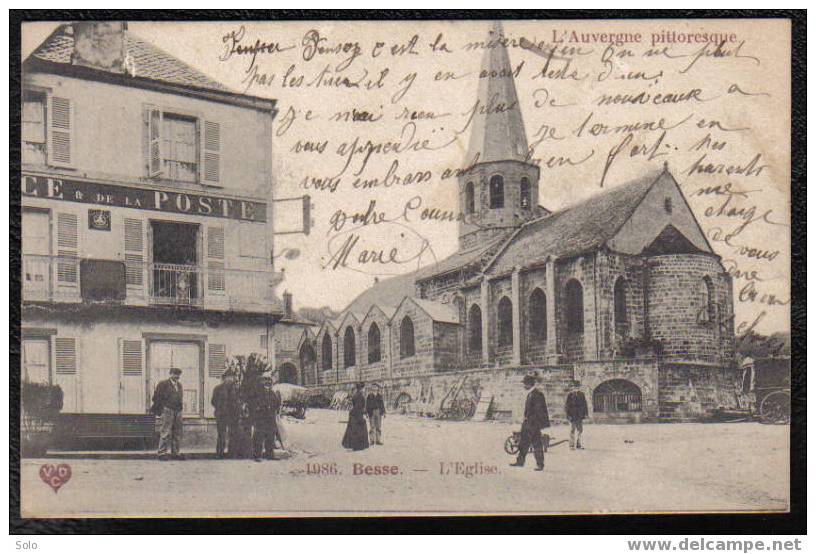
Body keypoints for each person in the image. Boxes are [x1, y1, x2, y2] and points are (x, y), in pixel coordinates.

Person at [509, 374, 550, 471]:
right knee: (523, 442)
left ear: (529, 384)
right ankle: (520, 461)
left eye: (525, 384)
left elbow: (539, 411)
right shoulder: (531, 394)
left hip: (533, 424)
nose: (524, 386)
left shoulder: (537, 394)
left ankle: (540, 464)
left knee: (537, 444)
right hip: (527, 423)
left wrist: (534, 424)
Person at [151, 367, 185, 461]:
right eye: (174, 374)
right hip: (168, 410)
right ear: (170, 374)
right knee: (165, 431)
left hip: (178, 411)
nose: (176, 376)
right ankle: (161, 453)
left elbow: (180, 398)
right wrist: (162, 408)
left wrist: (180, 409)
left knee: (177, 432)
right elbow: (156, 397)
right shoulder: (163, 384)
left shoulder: (179, 385)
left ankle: (175, 453)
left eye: (178, 374)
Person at [251, 375, 280, 462]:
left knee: (270, 437)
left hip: (270, 418)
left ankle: (270, 454)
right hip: (261, 419)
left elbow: (277, 403)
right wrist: (260, 408)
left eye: (269, 383)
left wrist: (274, 408)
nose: (267, 385)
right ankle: (257, 455)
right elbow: (254, 404)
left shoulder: (272, 393)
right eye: (265, 383)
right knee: (259, 437)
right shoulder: (257, 393)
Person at [211, 369, 240, 458]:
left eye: (232, 377)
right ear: (224, 378)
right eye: (228, 377)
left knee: (233, 434)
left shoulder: (236, 389)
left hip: (233, 415)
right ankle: (220, 453)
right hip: (221, 414)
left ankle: (232, 453)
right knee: (221, 434)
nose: (230, 379)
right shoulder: (218, 388)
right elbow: (213, 401)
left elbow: (238, 401)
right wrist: (220, 408)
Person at [342, 382, 369, 451]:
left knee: (352, 430)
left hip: (354, 414)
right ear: (361, 388)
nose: (365, 389)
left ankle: (353, 445)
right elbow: (358, 407)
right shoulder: (360, 396)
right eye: (364, 388)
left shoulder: (355, 394)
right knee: (358, 430)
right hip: (357, 415)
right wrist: (363, 413)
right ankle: (358, 446)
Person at [565, 380, 589, 450]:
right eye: (574, 386)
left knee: (580, 430)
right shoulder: (570, 395)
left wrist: (585, 414)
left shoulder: (582, 394)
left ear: (579, 387)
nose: (576, 388)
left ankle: (579, 444)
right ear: (572, 387)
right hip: (572, 415)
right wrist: (568, 415)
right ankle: (571, 445)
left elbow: (584, 404)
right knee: (572, 430)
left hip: (580, 415)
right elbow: (567, 406)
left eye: (577, 386)